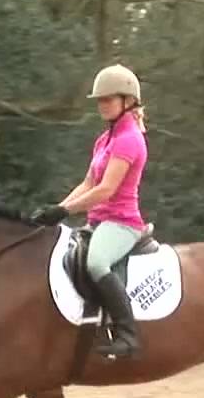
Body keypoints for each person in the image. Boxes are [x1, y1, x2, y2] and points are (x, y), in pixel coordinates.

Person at [30, 63, 149, 359]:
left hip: (122, 223)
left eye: (108, 99)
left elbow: (106, 190)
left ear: (128, 100)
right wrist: (58, 209)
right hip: (98, 221)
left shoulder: (129, 139)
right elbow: (88, 184)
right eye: (99, 100)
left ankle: (128, 335)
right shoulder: (104, 140)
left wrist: (65, 211)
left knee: (96, 263)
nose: (102, 105)